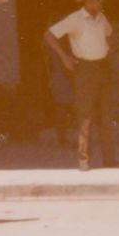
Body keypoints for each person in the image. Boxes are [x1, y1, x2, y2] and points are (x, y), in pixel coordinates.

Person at [46, 0, 119, 171]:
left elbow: (109, 35)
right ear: (87, 2)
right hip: (85, 69)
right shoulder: (75, 19)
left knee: (106, 115)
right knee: (85, 115)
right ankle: (84, 160)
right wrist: (65, 57)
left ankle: (109, 159)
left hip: (102, 67)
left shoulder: (101, 18)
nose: (100, 1)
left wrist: (109, 51)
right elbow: (49, 35)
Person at [42, 12, 76, 146]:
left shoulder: (49, 42)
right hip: (62, 75)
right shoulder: (58, 42)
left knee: (61, 106)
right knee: (63, 107)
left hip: (57, 76)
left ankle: (62, 138)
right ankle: (62, 139)